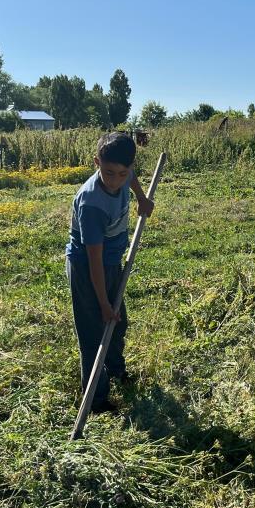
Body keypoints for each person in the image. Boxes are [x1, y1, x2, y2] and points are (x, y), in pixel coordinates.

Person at [66, 133, 154, 414]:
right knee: (94, 332)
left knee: (118, 322)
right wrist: (103, 303)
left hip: (112, 261)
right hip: (87, 267)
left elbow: (131, 179)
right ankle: (97, 400)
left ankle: (117, 370)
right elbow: (93, 260)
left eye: (121, 173)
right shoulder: (91, 204)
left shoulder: (124, 173)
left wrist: (142, 198)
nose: (115, 180)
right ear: (96, 163)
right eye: (108, 173)